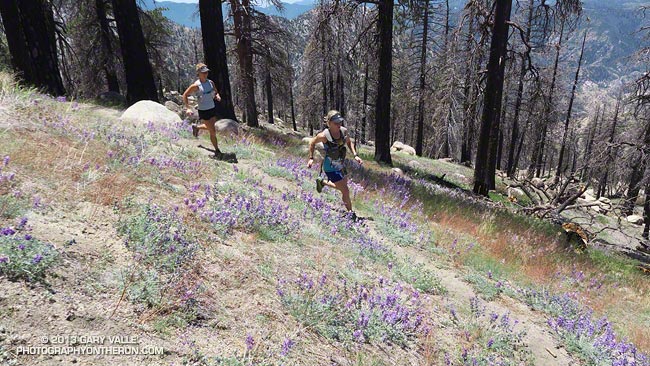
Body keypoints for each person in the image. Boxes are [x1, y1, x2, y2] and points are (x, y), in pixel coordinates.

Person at [308, 110, 363, 217]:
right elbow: (312, 143)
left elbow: (349, 142)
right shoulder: (323, 136)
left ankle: (322, 182)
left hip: (340, 164)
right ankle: (350, 214)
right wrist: (311, 158)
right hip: (330, 166)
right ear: (329, 123)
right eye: (336, 123)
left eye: (340, 122)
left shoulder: (344, 131)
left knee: (342, 186)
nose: (339, 125)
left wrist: (355, 155)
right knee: (345, 190)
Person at [183, 63, 223, 159]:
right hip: (203, 110)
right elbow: (185, 95)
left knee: (211, 128)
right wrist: (188, 108)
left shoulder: (210, 82)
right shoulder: (196, 86)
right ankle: (217, 151)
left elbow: (215, 91)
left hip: (212, 108)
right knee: (212, 131)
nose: (205, 74)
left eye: (206, 72)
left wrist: (217, 96)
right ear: (198, 73)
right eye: (203, 72)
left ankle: (196, 127)